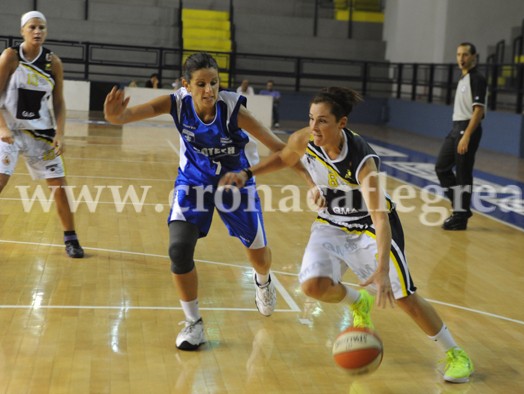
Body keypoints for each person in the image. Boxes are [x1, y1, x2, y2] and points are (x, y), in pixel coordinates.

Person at [219, 87, 475, 383]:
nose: (314, 127)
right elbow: (286, 157)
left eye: (323, 121)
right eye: (311, 118)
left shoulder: (362, 159)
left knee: (403, 297)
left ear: (341, 123)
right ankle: (358, 301)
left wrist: (380, 269)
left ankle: (455, 353)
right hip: (331, 223)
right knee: (313, 286)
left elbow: (380, 217)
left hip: (369, 226)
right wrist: (247, 174)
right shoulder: (307, 138)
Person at [103, 52, 282, 350]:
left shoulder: (233, 109)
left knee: (259, 257)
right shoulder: (176, 103)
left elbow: (278, 148)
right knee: (179, 249)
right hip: (194, 182)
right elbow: (129, 115)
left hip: (235, 183)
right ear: (186, 84)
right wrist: (114, 117)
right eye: (201, 84)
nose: (209, 90)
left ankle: (263, 281)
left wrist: (313, 170)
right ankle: (194, 324)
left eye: (214, 82)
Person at [0, 11, 84, 259]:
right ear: (22, 31)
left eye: (42, 28)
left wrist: (61, 132)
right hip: (10, 131)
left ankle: (71, 239)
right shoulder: (10, 57)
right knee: (1, 179)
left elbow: (58, 102)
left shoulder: (53, 62)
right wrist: (2, 128)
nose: (37, 32)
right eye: (33, 27)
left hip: (41, 133)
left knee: (59, 185)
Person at [435, 42, 487, 231]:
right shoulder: (462, 78)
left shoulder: (477, 79)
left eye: (465, 55)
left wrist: (466, 136)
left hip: (467, 128)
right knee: (441, 167)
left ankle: (460, 215)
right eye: (458, 54)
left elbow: (478, 110)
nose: (461, 58)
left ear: (474, 56)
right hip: (456, 127)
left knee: (463, 172)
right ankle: (461, 209)